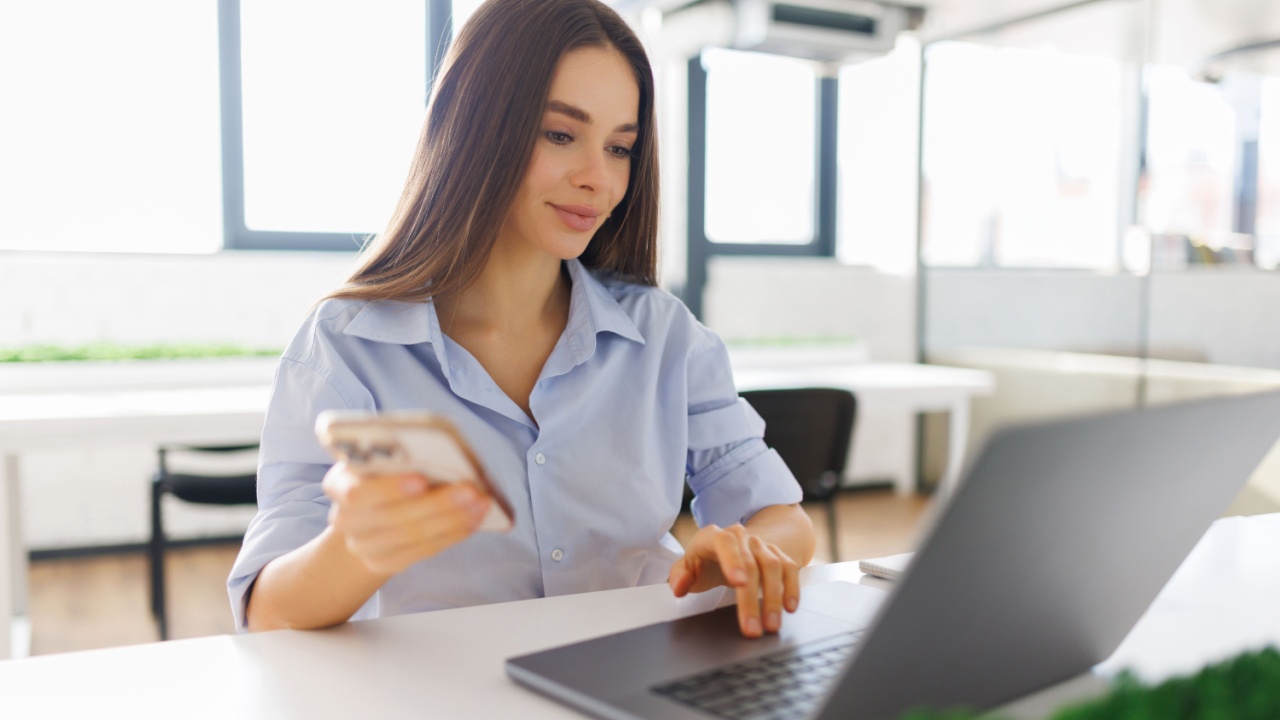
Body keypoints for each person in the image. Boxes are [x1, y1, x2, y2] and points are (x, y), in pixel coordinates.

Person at [228, 0, 815, 640]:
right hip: (446, 687)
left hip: (636, 674)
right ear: (477, 127)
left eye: (620, 147)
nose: (598, 179)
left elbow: (781, 517)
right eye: (560, 134)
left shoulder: (664, 335)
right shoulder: (345, 346)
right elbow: (267, 610)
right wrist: (354, 547)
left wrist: (750, 553)